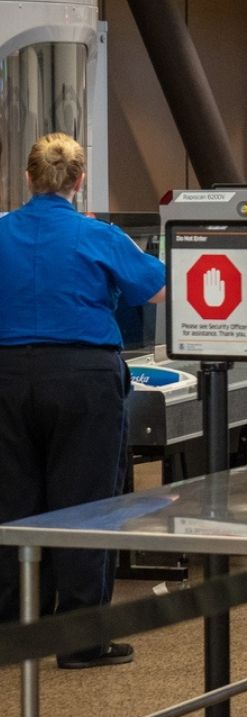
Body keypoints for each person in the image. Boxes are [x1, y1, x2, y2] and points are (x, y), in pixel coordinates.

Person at [0, 133, 166, 668]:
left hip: (5, 376)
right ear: (78, 181)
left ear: (28, 179)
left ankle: (11, 630)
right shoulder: (98, 234)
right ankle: (80, 640)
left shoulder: (0, 231)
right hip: (82, 377)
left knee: (10, 502)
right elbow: (157, 288)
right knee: (86, 504)